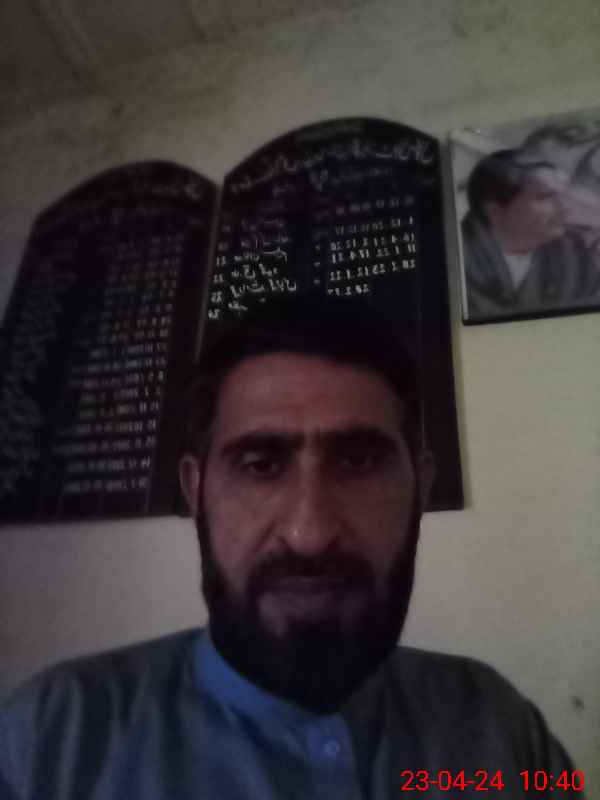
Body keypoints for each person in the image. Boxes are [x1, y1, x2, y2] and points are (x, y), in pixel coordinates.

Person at [0, 295, 582, 799]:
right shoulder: (46, 742)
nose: (310, 532)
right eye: (260, 465)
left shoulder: (503, 731)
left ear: (421, 487)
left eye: (359, 461)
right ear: (195, 490)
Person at [461, 149, 599, 320]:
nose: (564, 207)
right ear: (494, 211)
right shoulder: (457, 261)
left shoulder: (574, 255)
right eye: (545, 197)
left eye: (562, 195)